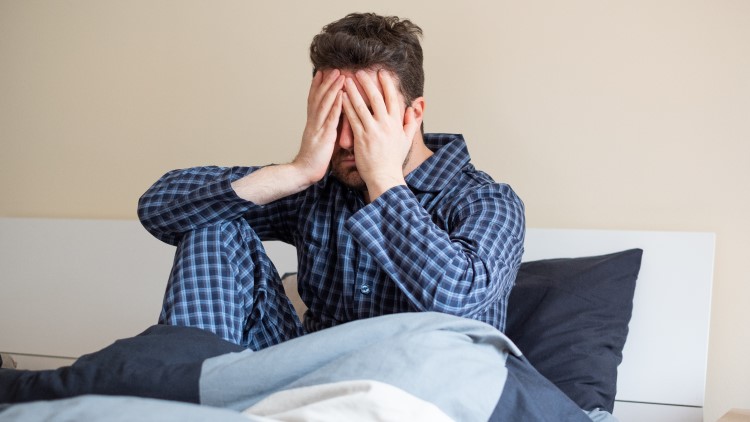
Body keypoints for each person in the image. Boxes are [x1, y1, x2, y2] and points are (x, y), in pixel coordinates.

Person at [138, 12, 525, 351]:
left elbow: (457, 298)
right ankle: (189, 401)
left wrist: (385, 181)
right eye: (334, 118)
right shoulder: (322, 186)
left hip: (421, 389)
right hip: (310, 377)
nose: (343, 141)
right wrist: (298, 171)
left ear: (414, 114)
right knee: (212, 226)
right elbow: (158, 210)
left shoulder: (487, 201)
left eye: (364, 118)